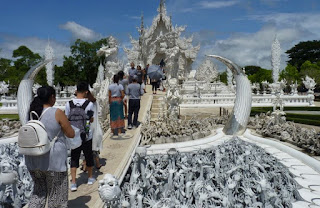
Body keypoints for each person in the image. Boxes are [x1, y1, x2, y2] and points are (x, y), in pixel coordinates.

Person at [25, 86, 75, 208]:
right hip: (53, 161)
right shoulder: (57, 112)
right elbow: (71, 134)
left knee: (38, 194)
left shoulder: (32, 113)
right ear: (52, 97)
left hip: (33, 160)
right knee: (57, 197)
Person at [65, 82, 96, 191]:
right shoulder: (89, 104)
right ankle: (90, 177)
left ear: (76, 90)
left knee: (74, 157)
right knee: (88, 155)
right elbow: (91, 119)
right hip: (86, 133)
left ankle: (73, 182)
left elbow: (66, 118)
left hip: (74, 134)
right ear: (86, 92)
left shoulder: (69, 103)